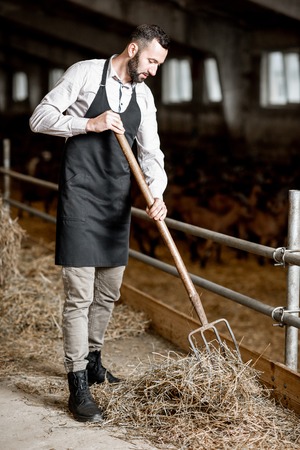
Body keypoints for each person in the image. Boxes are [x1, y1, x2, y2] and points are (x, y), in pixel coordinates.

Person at [29, 24, 170, 423]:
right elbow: (40, 118)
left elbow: (152, 153)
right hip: (80, 199)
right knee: (80, 295)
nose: (154, 71)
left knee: (108, 292)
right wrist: (87, 124)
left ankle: (93, 361)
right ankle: (77, 383)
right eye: (152, 61)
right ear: (132, 49)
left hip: (115, 204)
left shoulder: (143, 95)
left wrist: (157, 193)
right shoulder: (86, 74)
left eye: (159, 64)